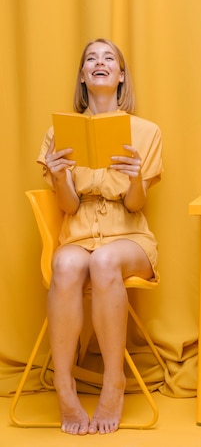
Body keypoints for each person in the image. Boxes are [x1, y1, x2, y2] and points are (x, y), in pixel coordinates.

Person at [37, 38, 163, 435]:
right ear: (83, 76)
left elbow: (134, 204)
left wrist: (136, 176)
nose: (99, 62)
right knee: (66, 261)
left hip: (128, 238)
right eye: (91, 58)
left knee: (104, 259)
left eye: (109, 58)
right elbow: (70, 208)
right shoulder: (58, 132)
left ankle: (114, 383)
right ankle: (64, 388)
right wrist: (59, 175)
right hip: (78, 233)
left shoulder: (146, 131)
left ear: (121, 76)